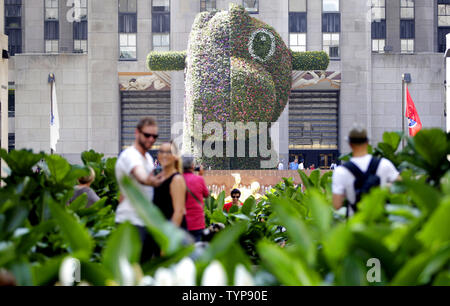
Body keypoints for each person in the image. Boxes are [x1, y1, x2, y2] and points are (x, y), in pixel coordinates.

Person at [115, 117, 164, 262]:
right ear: (137, 132)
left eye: (155, 136)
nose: (151, 139)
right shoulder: (130, 155)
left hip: (144, 221)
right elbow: (141, 176)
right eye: (147, 135)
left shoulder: (148, 158)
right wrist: (154, 181)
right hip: (131, 222)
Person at [332, 126, 400, 217]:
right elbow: (403, 186)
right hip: (381, 223)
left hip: (355, 224)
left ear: (350, 144)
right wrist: (385, 187)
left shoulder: (341, 171)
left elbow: (337, 205)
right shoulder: (384, 164)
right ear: (367, 142)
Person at [153, 141, 187, 230]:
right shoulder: (159, 177)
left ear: (175, 156)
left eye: (169, 152)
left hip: (170, 234)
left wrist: (168, 237)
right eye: (161, 151)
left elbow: (179, 212)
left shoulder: (176, 179)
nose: (164, 155)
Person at [182, 155, 209, 242]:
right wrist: (200, 176)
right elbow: (206, 194)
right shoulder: (199, 179)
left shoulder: (177, 179)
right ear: (193, 165)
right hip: (197, 222)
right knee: (196, 249)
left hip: (182, 222)